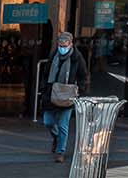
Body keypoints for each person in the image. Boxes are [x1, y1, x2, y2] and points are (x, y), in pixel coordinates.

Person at [39, 30, 89, 164]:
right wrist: (44, 89)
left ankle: (60, 151)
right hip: (52, 93)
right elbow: (46, 73)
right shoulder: (54, 55)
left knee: (63, 125)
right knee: (48, 122)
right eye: (60, 45)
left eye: (65, 45)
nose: (62, 48)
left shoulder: (76, 58)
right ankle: (56, 137)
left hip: (68, 94)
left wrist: (79, 91)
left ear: (71, 44)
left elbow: (83, 76)